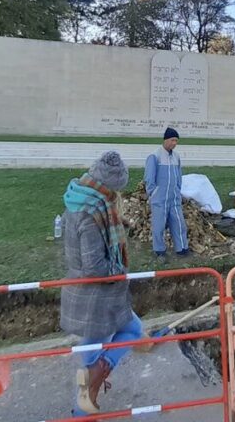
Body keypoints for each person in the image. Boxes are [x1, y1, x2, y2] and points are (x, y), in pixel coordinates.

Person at [60, 151, 143, 416]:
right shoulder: (92, 212)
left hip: (85, 293)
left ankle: (91, 384)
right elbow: (94, 265)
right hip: (97, 296)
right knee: (96, 362)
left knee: (99, 347)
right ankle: (83, 407)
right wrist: (119, 269)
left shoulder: (78, 199)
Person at [145, 127, 189, 258]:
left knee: (179, 223)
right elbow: (149, 178)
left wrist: (178, 189)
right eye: (172, 140)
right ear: (165, 140)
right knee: (158, 227)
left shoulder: (176, 156)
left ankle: (182, 248)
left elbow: (179, 175)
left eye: (176, 140)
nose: (174, 143)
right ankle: (159, 251)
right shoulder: (155, 156)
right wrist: (153, 193)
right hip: (159, 198)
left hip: (174, 198)